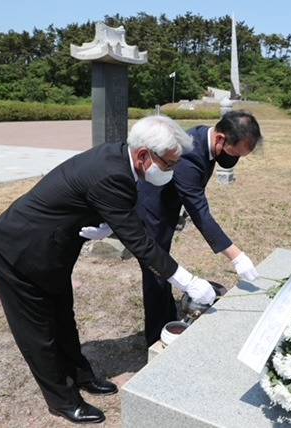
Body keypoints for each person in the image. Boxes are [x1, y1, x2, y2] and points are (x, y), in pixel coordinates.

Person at [0, 115, 216, 424]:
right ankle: (62, 400)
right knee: (39, 334)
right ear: (144, 155)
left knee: (64, 319)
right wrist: (187, 281)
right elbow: (140, 242)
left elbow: (113, 209)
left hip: (52, 253)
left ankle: (81, 375)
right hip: (19, 251)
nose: (172, 171)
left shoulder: (123, 160)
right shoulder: (113, 173)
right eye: (170, 164)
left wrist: (105, 223)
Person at [81, 110, 263, 346]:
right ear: (220, 139)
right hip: (150, 211)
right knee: (156, 273)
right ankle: (158, 338)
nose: (234, 159)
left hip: (165, 209)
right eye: (235, 153)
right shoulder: (189, 155)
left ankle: (169, 319)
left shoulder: (204, 136)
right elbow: (200, 212)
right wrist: (236, 256)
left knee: (164, 268)